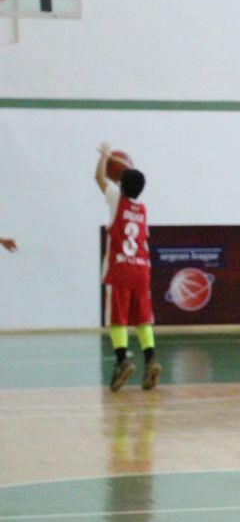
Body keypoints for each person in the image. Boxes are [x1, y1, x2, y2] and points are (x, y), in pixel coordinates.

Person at [95, 143, 160, 392]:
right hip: (142, 270)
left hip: (121, 269)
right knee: (142, 318)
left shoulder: (116, 200)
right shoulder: (142, 209)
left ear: (120, 184)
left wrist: (104, 157)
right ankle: (151, 359)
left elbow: (99, 178)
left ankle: (122, 361)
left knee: (118, 319)